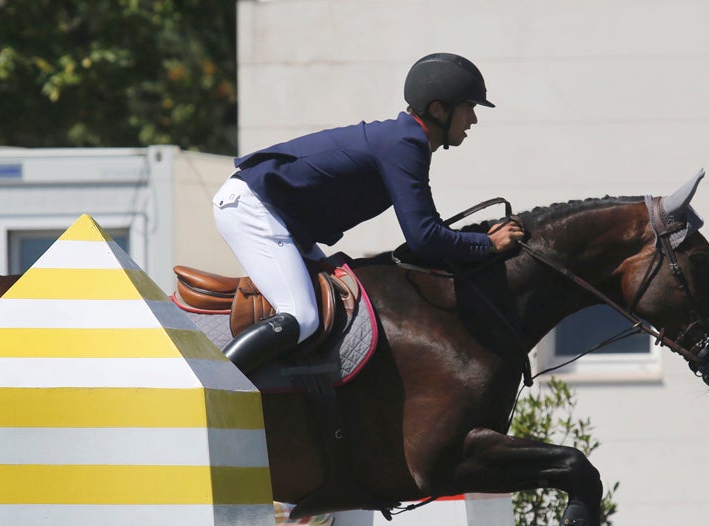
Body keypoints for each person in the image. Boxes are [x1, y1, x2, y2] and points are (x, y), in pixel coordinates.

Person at [212, 52, 525, 373]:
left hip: (282, 218)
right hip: (254, 207)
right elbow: (424, 238)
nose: (473, 119)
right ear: (437, 109)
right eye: (469, 107)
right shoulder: (404, 144)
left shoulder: (405, 140)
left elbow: (427, 232)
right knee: (301, 317)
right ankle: (216, 382)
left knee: (335, 306)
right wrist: (487, 245)